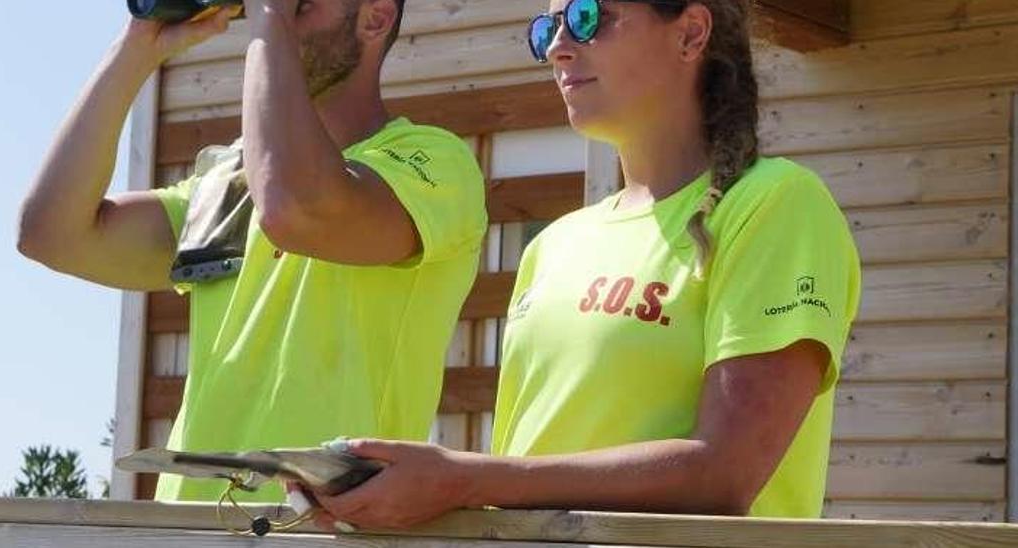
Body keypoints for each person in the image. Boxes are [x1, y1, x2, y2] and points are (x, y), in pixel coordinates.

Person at [301, 0, 862, 528]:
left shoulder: (777, 203)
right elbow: (523, 476)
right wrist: (384, 496)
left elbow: (724, 475)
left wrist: (460, 481)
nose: (558, 48)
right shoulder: (555, 244)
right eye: (546, 31)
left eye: (587, 16)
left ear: (690, 32)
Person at [17, 0, 487, 503]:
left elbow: (294, 210)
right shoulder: (226, 185)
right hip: (185, 532)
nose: (275, 13)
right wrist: (136, 46)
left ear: (374, 18)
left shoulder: (437, 162)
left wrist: (269, 17)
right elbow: (51, 234)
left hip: (324, 530)